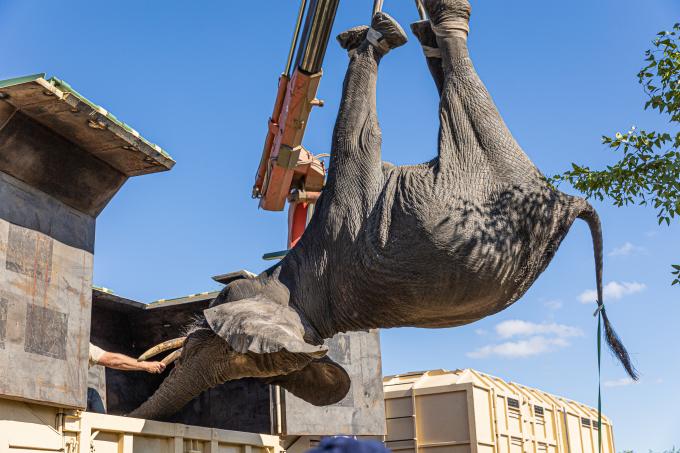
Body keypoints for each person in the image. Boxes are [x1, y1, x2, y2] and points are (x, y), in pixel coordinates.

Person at [87, 343, 166, 413]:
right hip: (75, 402)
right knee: (92, 394)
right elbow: (114, 360)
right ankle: (102, 422)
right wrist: (147, 365)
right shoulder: (84, 346)